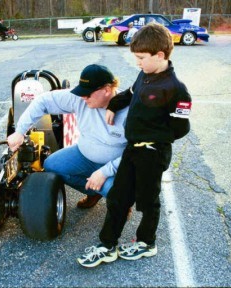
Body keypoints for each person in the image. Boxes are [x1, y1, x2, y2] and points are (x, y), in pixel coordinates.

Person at [77, 23, 192, 268]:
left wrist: (153, 139)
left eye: (141, 58)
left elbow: (181, 129)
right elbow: (129, 93)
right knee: (118, 198)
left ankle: (146, 242)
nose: (138, 63)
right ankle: (107, 245)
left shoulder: (177, 90)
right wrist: (113, 105)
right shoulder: (145, 75)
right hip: (132, 149)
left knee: (148, 201)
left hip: (152, 152)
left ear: (160, 55)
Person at [7, 64, 128, 209]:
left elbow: (138, 151)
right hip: (85, 154)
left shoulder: (130, 111)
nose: (83, 97)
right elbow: (42, 101)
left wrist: (104, 172)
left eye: (88, 93)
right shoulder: (81, 99)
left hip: (118, 165)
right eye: (81, 92)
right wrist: (20, 131)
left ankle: (120, 203)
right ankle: (94, 192)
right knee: (52, 165)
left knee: (117, 192)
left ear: (107, 90)